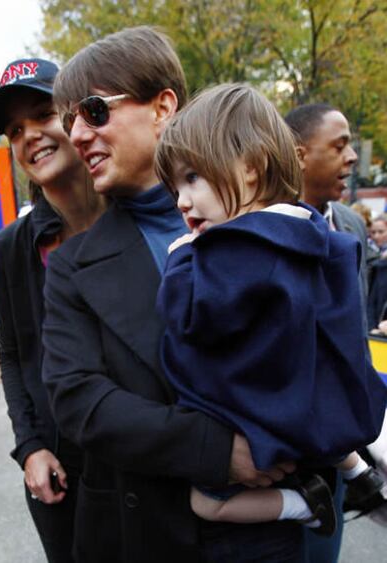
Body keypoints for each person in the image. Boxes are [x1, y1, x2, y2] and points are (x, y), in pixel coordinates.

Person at [42, 27, 302, 563]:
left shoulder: (271, 218)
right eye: (69, 121)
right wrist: (215, 451)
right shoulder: (72, 265)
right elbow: (78, 400)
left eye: (93, 110)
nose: (77, 133)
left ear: (163, 107)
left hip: (268, 528)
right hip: (143, 533)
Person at [154, 83, 387, 537]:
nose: (181, 200)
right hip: (321, 406)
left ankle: (302, 506)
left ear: (252, 170)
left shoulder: (234, 250)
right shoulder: (311, 232)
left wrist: (180, 258)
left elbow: (188, 315)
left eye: (192, 178)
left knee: (205, 503)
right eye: (175, 186)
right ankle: (354, 466)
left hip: (267, 417)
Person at [0, 58, 106, 562]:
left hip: (147, 464)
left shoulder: (142, 215)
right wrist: (30, 447)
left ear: (78, 116)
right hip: (62, 473)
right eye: (15, 130)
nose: (30, 135)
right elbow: (12, 354)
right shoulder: (11, 248)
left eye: (43, 114)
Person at [284, 102, 383, 562]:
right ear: (300, 154)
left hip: (342, 444)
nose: (351, 159)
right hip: (284, 450)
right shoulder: (260, 224)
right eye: (339, 146)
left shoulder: (349, 226)